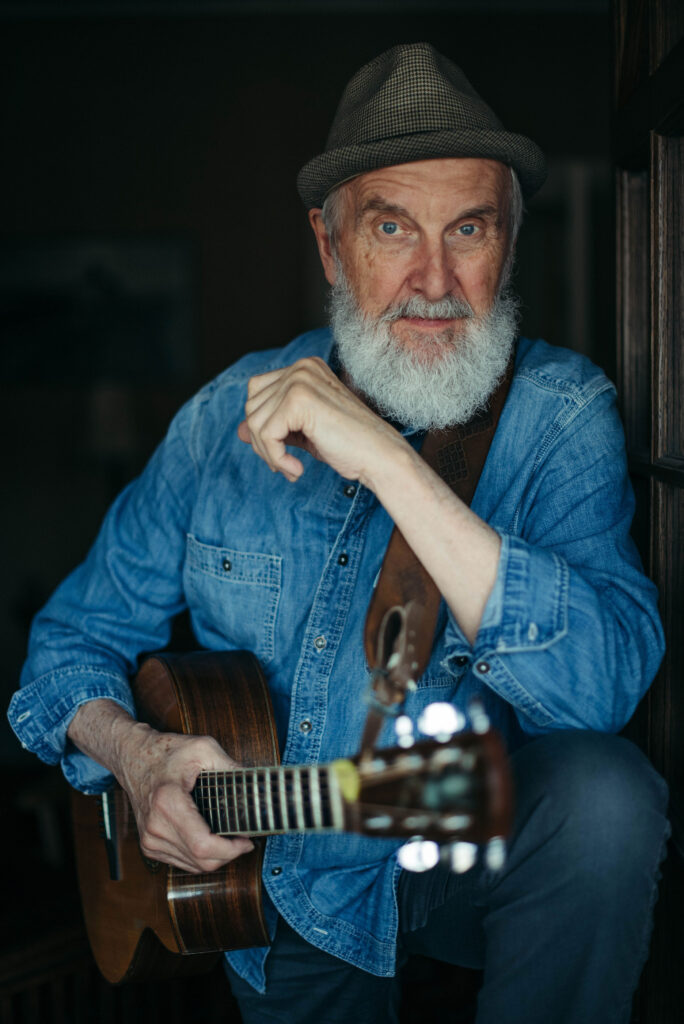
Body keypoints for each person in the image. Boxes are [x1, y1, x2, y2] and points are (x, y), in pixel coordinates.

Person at [9, 43, 669, 1024]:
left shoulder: (561, 417)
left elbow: (607, 683)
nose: (433, 278)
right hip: (282, 886)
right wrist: (140, 761)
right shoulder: (214, 426)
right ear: (329, 244)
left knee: (607, 797)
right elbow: (64, 653)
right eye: (392, 226)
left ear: (509, 244)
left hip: (461, 828)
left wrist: (391, 464)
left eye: (471, 229)